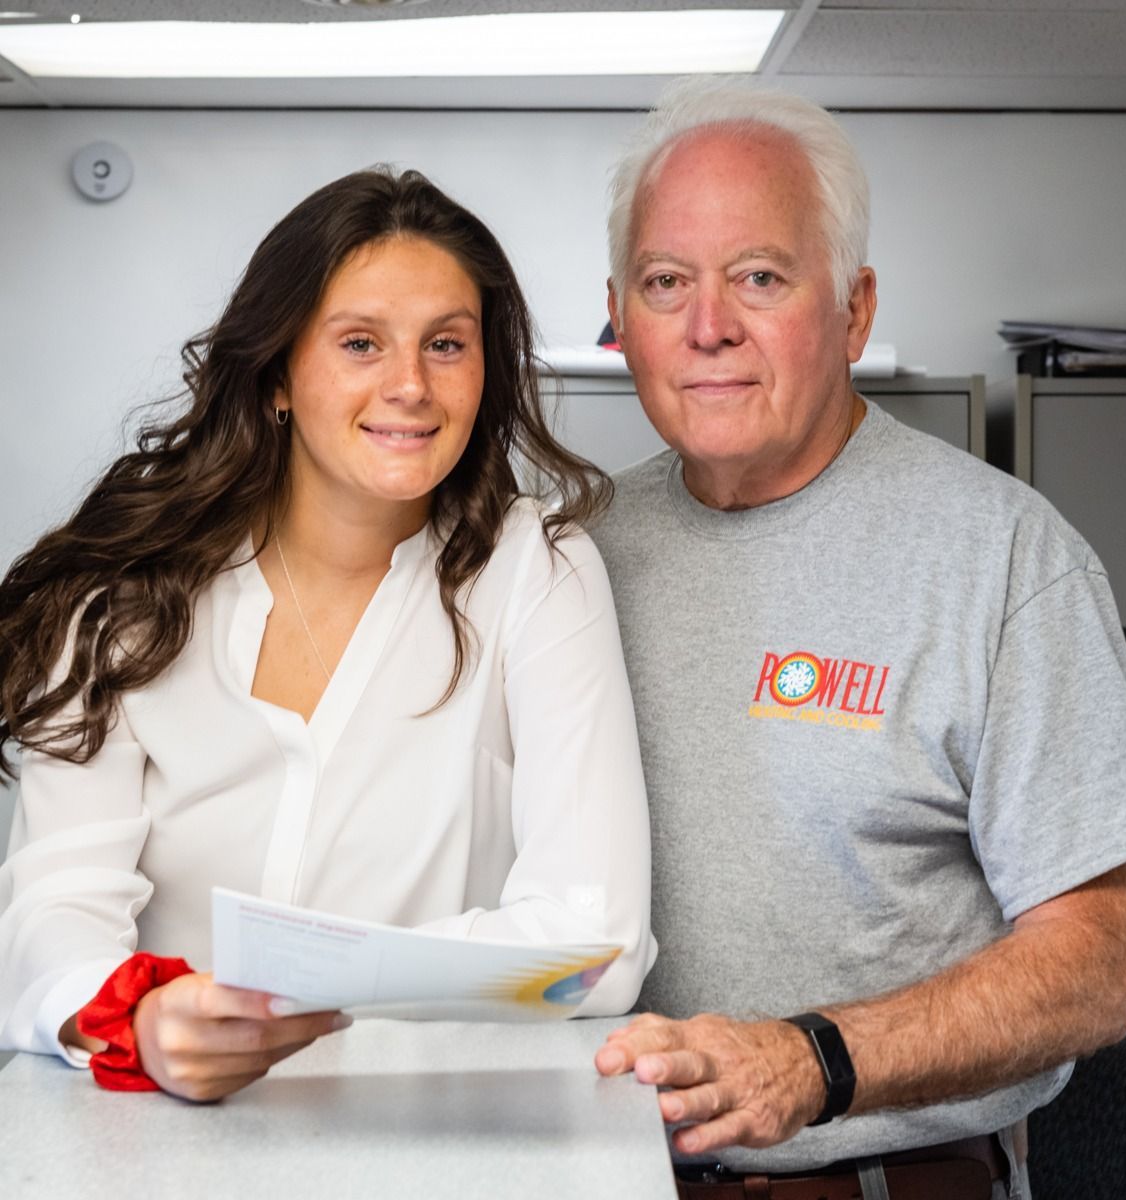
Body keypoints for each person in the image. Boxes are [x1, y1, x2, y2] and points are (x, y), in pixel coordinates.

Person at [589, 79, 1126, 1200]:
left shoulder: (1003, 559)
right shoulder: (570, 559)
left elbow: (1098, 964)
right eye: (667, 283)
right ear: (620, 316)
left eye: (760, 277)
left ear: (855, 310)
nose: (709, 323)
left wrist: (813, 1060)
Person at [0, 167, 654, 1101]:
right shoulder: (123, 592)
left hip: (435, 1137)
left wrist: (304, 985)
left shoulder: (538, 572)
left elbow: (595, 942)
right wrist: (137, 1019)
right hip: (158, 1139)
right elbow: (52, 911)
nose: (411, 386)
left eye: (446, 344)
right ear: (277, 375)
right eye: (360, 343)